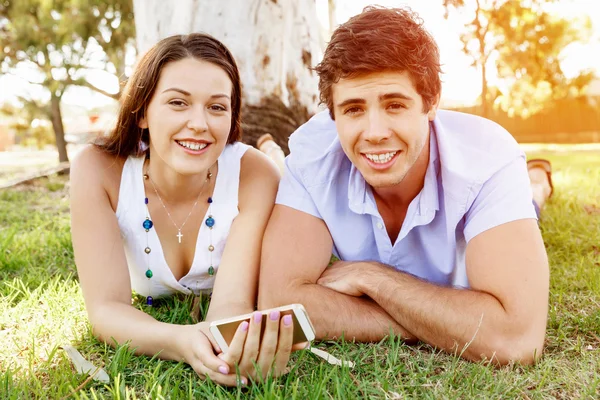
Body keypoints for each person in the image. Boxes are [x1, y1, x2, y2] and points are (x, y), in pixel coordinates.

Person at [258, 6, 551, 365]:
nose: (375, 132)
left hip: (489, 214)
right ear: (332, 113)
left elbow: (516, 338)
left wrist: (372, 277)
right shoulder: (312, 156)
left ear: (431, 103)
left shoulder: (488, 160)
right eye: (353, 109)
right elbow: (279, 303)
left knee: (533, 202)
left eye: (394, 104)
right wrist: (437, 323)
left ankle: (538, 181)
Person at [70, 33, 298, 386]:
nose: (200, 124)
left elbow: (231, 303)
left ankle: (269, 147)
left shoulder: (254, 176)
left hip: (266, 166)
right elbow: (105, 310)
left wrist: (225, 343)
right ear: (142, 112)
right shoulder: (98, 170)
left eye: (217, 107)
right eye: (178, 103)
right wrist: (182, 341)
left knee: (279, 166)